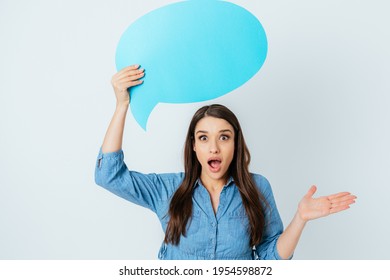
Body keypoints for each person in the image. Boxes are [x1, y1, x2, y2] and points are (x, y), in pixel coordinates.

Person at [95, 65, 357, 260]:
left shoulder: (257, 187)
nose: (214, 147)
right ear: (194, 146)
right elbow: (109, 175)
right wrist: (122, 105)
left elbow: (270, 260)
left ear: (235, 143)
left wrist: (300, 218)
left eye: (224, 137)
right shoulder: (167, 188)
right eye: (203, 138)